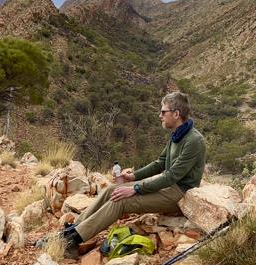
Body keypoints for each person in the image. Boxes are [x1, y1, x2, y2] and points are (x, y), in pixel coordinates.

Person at [56, 91, 206, 255]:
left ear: (176, 114)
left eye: (163, 112)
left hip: (180, 193)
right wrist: (133, 177)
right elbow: (160, 163)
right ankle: (72, 229)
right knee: (111, 190)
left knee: (121, 201)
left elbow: (171, 176)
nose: (159, 115)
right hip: (168, 187)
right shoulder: (176, 135)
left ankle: (71, 240)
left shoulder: (193, 140)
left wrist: (135, 188)